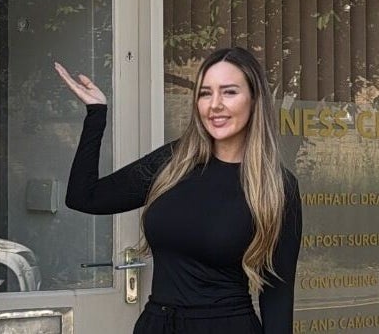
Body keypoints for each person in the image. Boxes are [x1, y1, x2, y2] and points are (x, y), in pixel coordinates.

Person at [57, 47, 302, 334]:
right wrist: (96, 114)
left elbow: (277, 293)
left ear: (254, 99)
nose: (215, 104)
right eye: (205, 93)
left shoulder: (275, 186)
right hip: (156, 325)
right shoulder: (175, 161)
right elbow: (84, 197)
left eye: (229, 92)